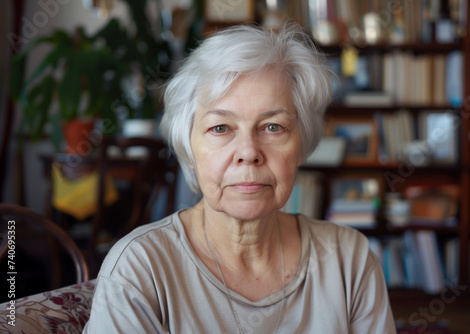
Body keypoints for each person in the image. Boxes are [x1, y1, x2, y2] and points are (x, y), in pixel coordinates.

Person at [84, 23, 396, 333]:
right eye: (220, 128)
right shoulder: (141, 268)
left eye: (273, 127)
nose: (248, 152)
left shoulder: (349, 260)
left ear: (301, 145)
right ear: (189, 149)